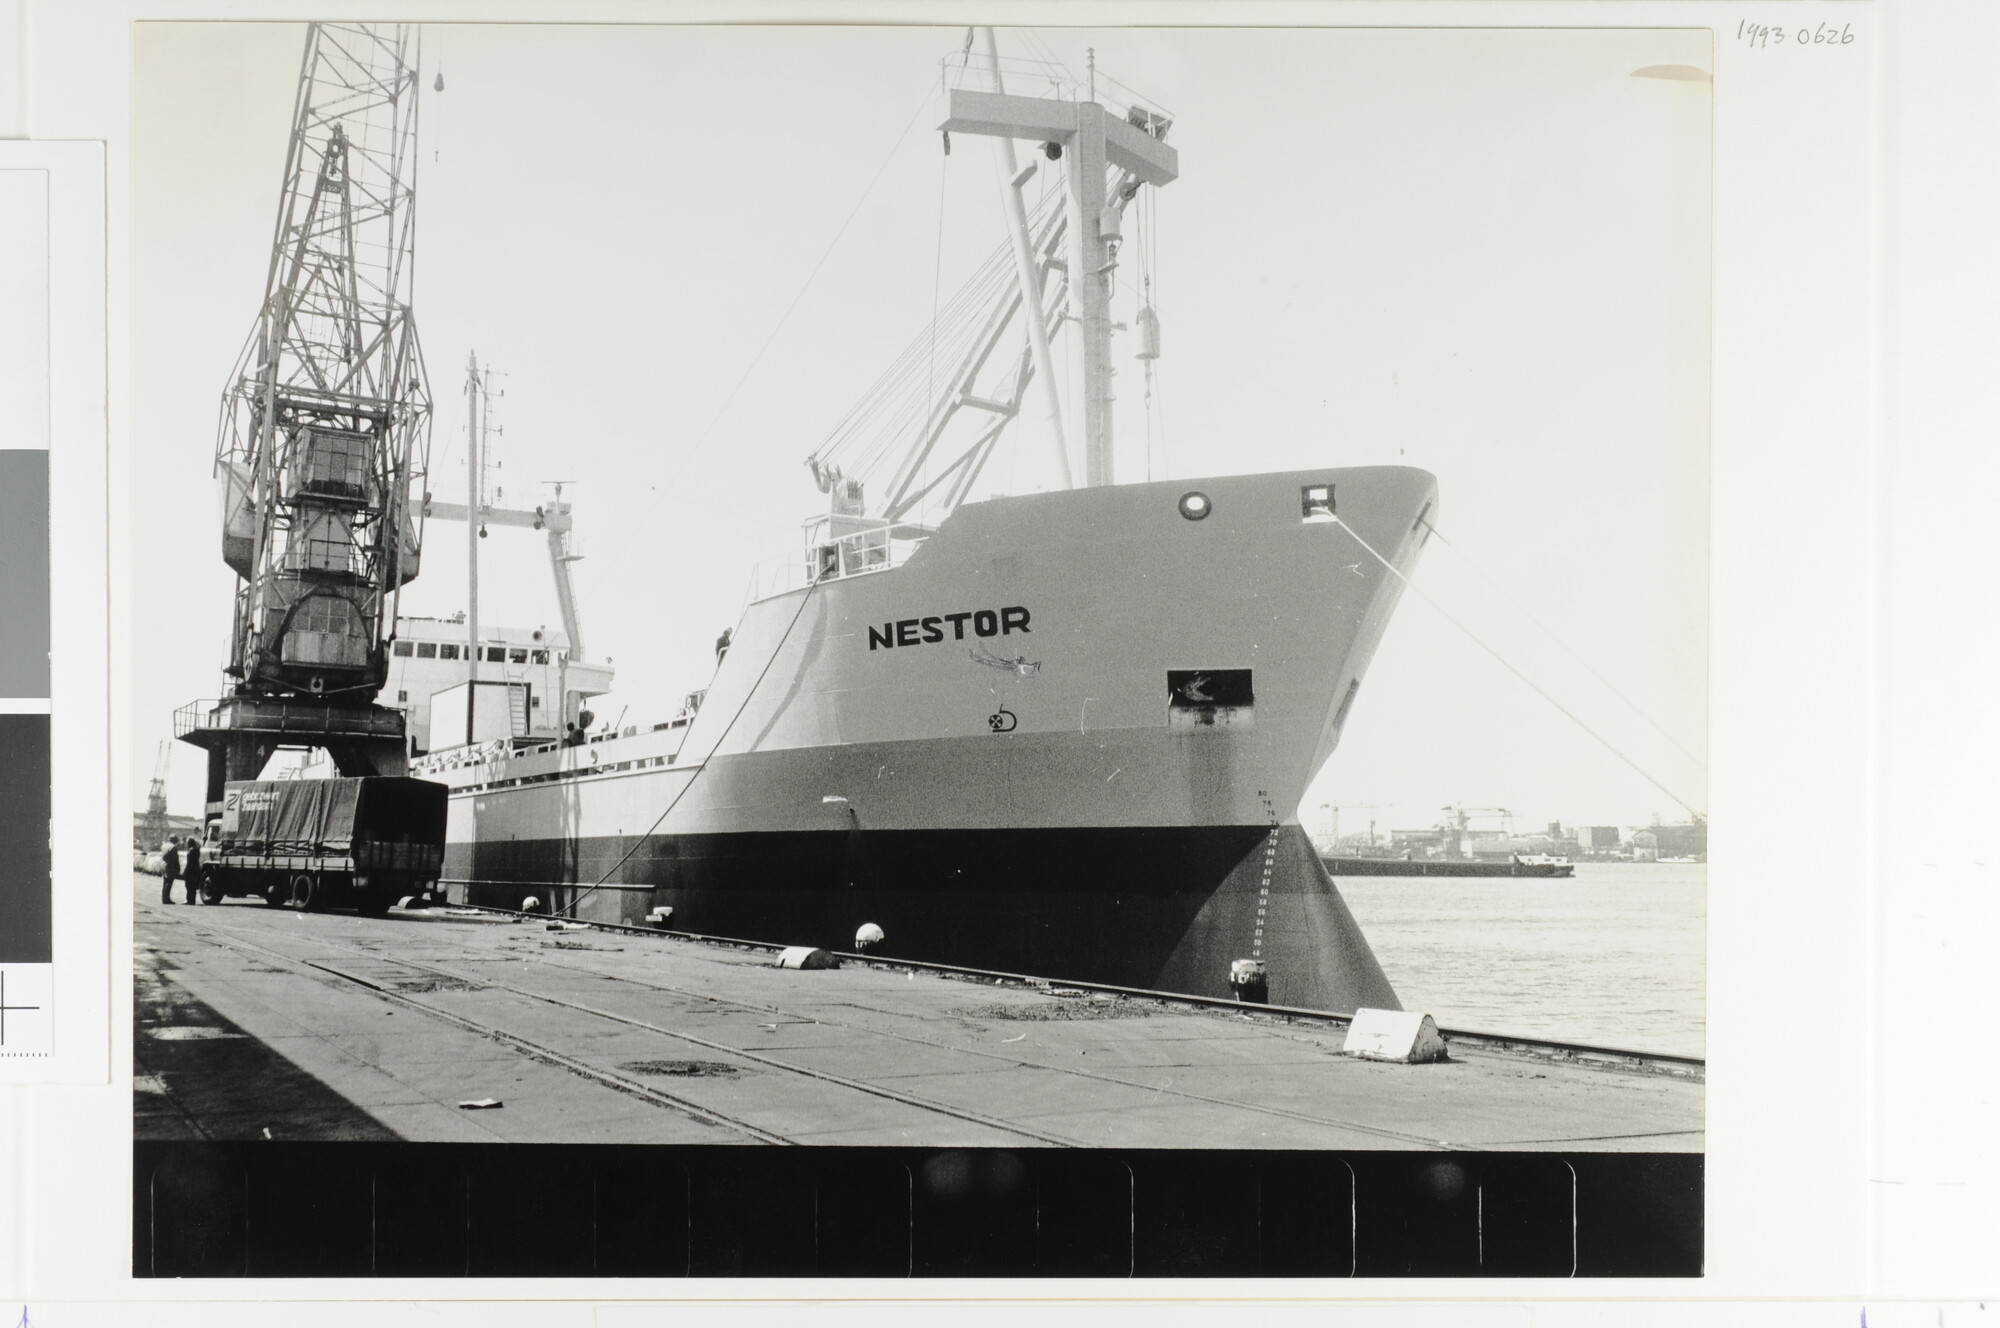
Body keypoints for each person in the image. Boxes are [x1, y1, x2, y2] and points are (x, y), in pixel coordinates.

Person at [184, 836, 205, 906]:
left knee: (188, 885)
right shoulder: (197, 849)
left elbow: (189, 861)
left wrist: (185, 871)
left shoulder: (191, 850)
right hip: (195, 869)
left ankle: (189, 900)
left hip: (190, 869)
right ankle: (192, 900)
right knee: (192, 886)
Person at [159, 839, 181, 905]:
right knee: (169, 882)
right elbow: (175, 859)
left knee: (165, 882)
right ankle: (166, 899)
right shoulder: (173, 847)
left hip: (163, 864)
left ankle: (163, 898)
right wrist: (177, 867)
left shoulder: (163, 846)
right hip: (170, 866)